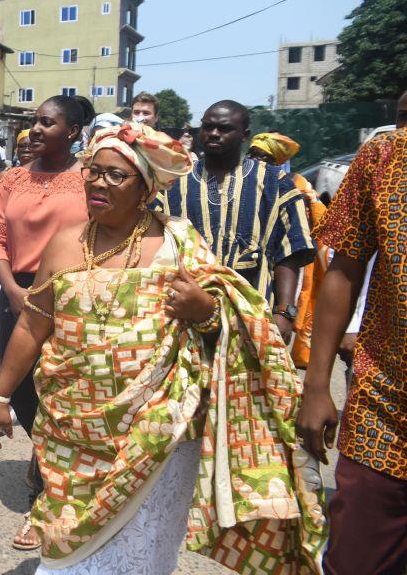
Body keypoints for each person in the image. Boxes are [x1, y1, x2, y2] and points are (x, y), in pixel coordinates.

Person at [0, 122, 327, 575]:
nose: (97, 183)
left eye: (115, 175)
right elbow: (33, 323)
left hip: (155, 431)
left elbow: (232, 325)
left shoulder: (179, 245)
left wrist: (204, 307)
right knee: (64, 547)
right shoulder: (65, 243)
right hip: (73, 429)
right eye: (93, 171)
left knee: (142, 553)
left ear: (145, 188)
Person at [298, 125, 407, 575]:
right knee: (358, 559)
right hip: (385, 407)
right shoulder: (386, 156)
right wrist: (317, 384)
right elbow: (344, 267)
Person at [0, 96, 88, 549]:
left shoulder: (90, 177)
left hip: (73, 295)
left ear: (74, 131)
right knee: (22, 392)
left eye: (48, 122)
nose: (36, 130)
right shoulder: (11, 179)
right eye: (34, 122)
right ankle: (43, 450)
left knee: (64, 391)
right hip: (20, 295)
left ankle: (47, 498)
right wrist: (11, 289)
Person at [157, 101, 315, 344]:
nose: (214, 134)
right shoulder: (174, 182)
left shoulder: (274, 182)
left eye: (224, 128)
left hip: (254, 315)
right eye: (208, 127)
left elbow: (290, 251)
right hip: (185, 316)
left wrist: (285, 311)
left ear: (244, 135)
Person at [248, 132, 329, 367]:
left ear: (277, 161)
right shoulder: (241, 179)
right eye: (253, 154)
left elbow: (304, 229)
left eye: (264, 157)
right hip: (252, 260)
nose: (256, 161)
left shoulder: (294, 185)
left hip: (285, 255)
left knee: (287, 307)